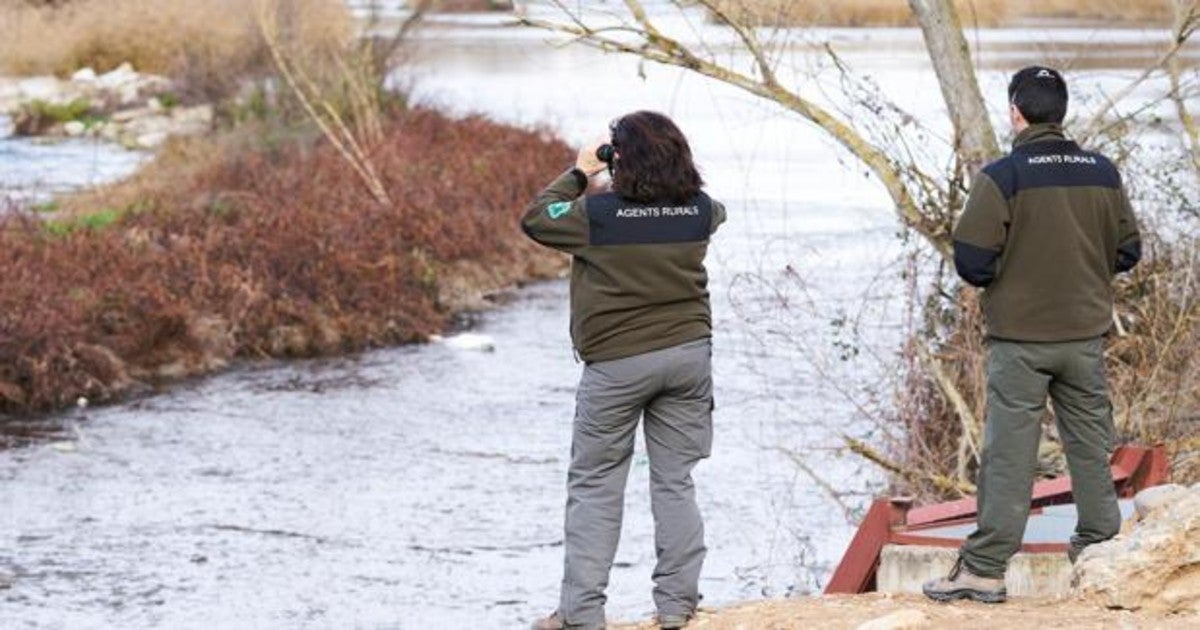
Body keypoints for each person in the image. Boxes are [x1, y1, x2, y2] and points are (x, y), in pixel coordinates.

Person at [923, 66, 1142, 604]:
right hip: (1084, 336)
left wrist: (1017, 273)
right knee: (1091, 448)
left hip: (1021, 341)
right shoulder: (1102, 172)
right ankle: (1099, 554)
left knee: (1009, 454)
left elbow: (972, 262)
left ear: (1015, 112)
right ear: (1061, 113)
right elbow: (1128, 251)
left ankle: (983, 570)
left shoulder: (1003, 176)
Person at [521, 111, 726, 629]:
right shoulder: (700, 210)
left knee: (595, 485)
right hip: (687, 357)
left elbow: (537, 217)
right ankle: (677, 607)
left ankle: (581, 615)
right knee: (675, 480)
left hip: (616, 365)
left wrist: (580, 172)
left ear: (621, 160)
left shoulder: (597, 215)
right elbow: (713, 210)